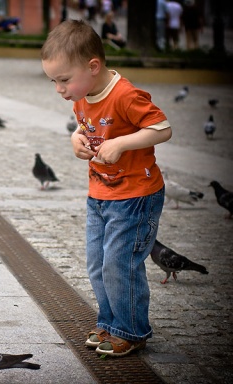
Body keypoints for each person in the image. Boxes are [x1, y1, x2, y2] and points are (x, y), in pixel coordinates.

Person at [41, 20, 172, 357]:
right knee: (98, 263)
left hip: (135, 196)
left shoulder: (125, 94)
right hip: (99, 194)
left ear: (93, 66)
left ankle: (131, 330)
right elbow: (84, 127)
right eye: (53, 81)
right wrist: (75, 138)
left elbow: (162, 128)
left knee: (120, 263)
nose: (59, 89)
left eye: (64, 80)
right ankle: (110, 322)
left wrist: (122, 144)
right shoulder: (82, 96)